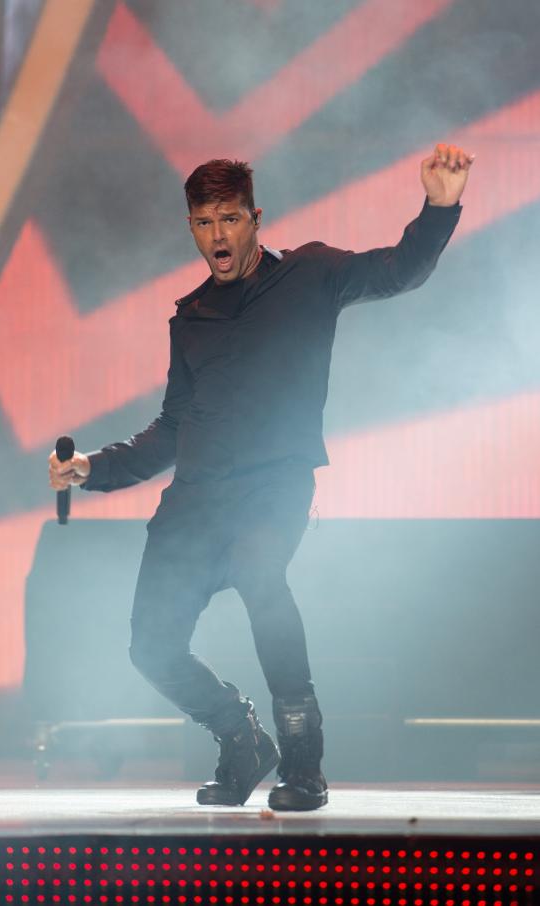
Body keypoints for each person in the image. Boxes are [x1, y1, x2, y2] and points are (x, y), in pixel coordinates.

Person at [49, 145, 474, 811]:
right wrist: (92, 467)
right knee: (150, 647)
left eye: (229, 218)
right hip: (195, 499)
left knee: (259, 572)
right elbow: (173, 427)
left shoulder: (310, 274)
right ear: (191, 228)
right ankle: (240, 738)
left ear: (255, 218)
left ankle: (304, 763)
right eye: (204, 222)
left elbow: (398, 271)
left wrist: (439, 207)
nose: (217, 235)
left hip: (273, 487)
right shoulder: (190, 317)